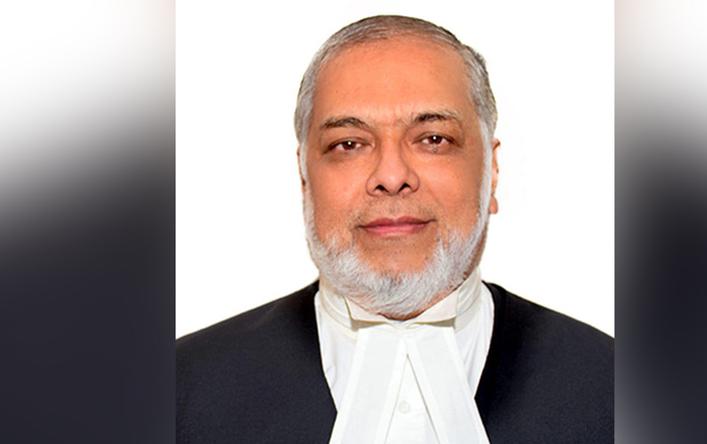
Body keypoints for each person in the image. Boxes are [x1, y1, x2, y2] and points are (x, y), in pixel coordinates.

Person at [177, 15, 612, 443]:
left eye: (433, 139)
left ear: (492, 172)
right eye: (348, 144)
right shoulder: (178, 390)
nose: (391, 175)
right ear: (304, 178)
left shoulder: (614, 387)